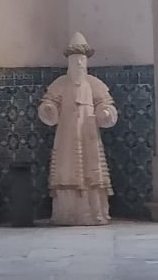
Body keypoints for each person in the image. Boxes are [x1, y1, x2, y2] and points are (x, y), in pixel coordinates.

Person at [38, 32, 118, 226]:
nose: (79, 64)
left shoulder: (94, 84)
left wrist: (105, 112)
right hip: (66, 134)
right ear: (69, 62)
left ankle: (94, 212)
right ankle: (67, 213)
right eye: (75, 60)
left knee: (93, 169)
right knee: (67, 168)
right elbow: (49, 102)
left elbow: (106, 103)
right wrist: (48, 109)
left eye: (82, 60)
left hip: (88, 134)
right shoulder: (60, 84)